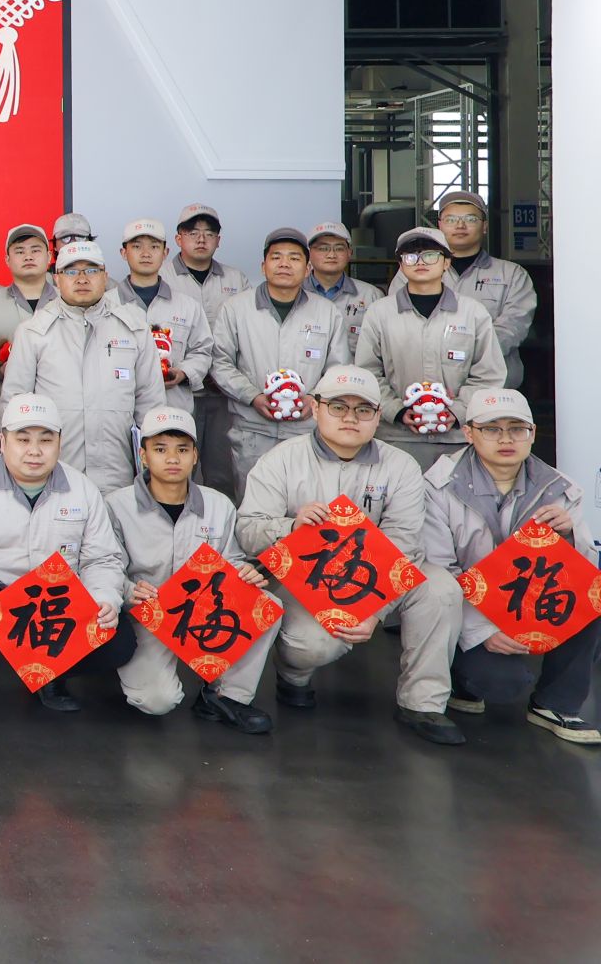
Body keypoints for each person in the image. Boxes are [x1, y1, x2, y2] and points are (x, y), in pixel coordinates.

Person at [234, 365, 465, 745]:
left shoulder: (401, 465)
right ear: (315, 407)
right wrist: (290, 526)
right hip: (306, 579)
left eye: (363, 409)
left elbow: (405, 543)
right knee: (312, 645)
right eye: (338, 407)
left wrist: (374, 608)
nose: (350, 418)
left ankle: (422, 703)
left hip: (379, 575)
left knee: (441, 589)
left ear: (378, 415)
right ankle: (293, 676)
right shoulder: (281, 459)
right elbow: (247, 531)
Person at [0, 393, 135, 718]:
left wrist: (104, 599)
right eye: (23, 439)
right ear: (2, 442)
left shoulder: (83, 489)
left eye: (46, 440)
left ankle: (52, 675)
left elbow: (101, 558)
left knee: (119, 641)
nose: (34, 450)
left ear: (60, 442)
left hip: (55, 598)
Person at [423, 389, 598, 744]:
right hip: (468, 610)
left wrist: (568, 536)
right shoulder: (438, 486)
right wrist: (480, 631)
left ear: (532, 434)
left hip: (528, 603)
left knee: (594, 592)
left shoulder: (559, 487)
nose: (506, 439)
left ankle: (556, 703)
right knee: (502, 684)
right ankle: (459, 680)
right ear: (469, 433)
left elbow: (584, 569)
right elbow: (439, 572)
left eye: (517, 429)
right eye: (492, 429)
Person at [109, 406, 277, 735]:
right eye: (160, 449)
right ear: (143, 456)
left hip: (203, 612)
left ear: (196, 456)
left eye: (183, 450)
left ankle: (226, 695)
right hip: (147, 615)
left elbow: (231, 559)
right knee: (158, 701)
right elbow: (105, 564)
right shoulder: (115, 505)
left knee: (267, 605)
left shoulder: (219, 505)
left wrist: (245, 572)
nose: (173, 459)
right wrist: (127, 590)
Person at [2, 239, 164, 496]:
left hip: (118, 471)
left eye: (91, 270)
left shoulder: (134, 328)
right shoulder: (33, 331)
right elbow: (13, 408)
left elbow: (151, 405)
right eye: (71, 271)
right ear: (57, 278)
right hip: (54, 472)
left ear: (105, 276)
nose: (81, 279)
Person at [210, 228, 351, 492]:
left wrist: (314, 398)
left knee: (308, 506)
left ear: (307, 269)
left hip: (307, 431)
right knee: (253, 506)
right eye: (276, 257)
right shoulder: (236, 309)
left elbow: (338, 369)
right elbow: (220, 362)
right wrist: (253, 396)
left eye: (294, 258)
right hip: (253, 431)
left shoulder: (327, 313)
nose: (284, 264)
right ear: (263, 266)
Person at [357, 226, 507, 470]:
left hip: (459, 439)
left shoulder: (472, 313)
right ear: (401, 264)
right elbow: (368, 371)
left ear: (446, 262)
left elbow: (489, 374)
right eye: (410, 256)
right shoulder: (380, 313)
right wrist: (397, 410)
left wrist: (456, 412)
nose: (420, 262)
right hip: (397, 438)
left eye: (430, 255)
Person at [386, 191, 538, 389]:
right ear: (440, 225)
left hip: (490, 386)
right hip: (426, 388)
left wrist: (465, 355)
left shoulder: (512, 275)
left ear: (484, 226)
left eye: (470, 219)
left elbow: (513, 327)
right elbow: (398, 322)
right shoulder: (413, 270)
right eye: (451, 219)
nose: (460, 225)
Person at [165, 204, 250, 496]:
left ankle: (219, 523)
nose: (201, 239)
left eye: (209, 233)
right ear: (179, 238)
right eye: (193, 232)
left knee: (222, 472)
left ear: (218, 240)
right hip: (176, 391)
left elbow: (246, 333)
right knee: (176, 469)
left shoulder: (236, 280)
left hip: (223, 394)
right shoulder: (162, 277)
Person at [0, 223, 55, 463]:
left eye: (35, 250)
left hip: (58, 416)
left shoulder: (66, 303)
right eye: (19, 251)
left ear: (49, 257)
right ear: (7, 259)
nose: (28, 256)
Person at [112, 219, 212, 417]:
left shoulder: (188, 306)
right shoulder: (106, 305)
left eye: (154, 247)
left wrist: (183, 373)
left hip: (173, 413)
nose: (146, 253)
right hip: (120, 414)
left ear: (165, 253)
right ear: (123, 253)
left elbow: (203, 351)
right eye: (137, 246)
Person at [306, 222, 380, 357]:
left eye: (339, 248)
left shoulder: (371, 295)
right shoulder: (295, 293)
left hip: (354, 369)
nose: (331, 255)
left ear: (349, 253)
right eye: (323, 248)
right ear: (309, 253)